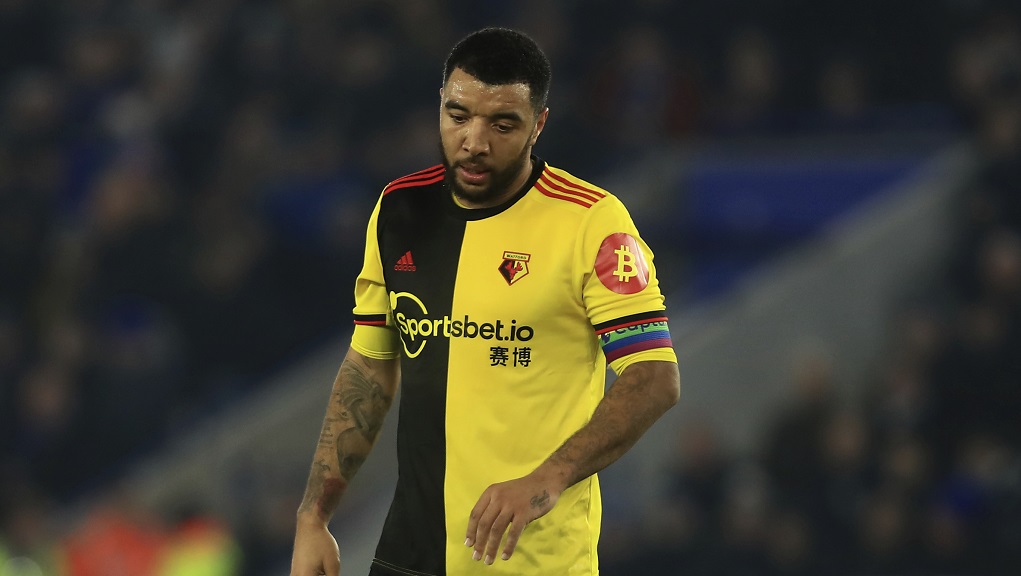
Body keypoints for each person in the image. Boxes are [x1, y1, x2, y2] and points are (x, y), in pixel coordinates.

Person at [290, 27, 680, 576]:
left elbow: (654, 378)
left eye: (502, 124)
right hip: (410, 556)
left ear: (538, 124)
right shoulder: (401, 210)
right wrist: (314, 518)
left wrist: (546, 478)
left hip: (536, 565)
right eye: (457, 116)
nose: (474, 141)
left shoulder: (592, 221)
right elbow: (369, 368)